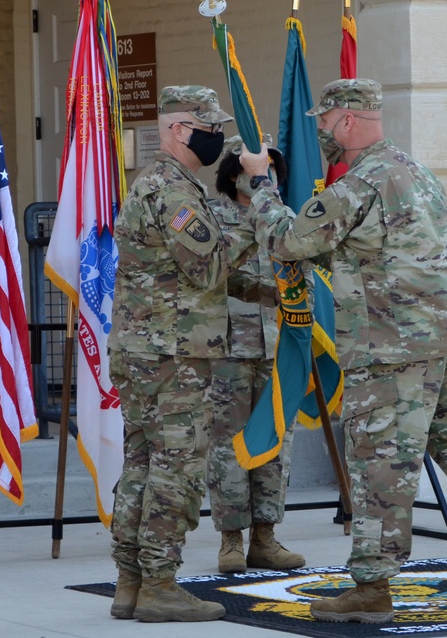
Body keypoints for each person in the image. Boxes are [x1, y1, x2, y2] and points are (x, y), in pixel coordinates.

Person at [237, 78, 447, 623]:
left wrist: (262, 184)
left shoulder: (359, 184)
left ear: (345, 121)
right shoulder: (420, 174)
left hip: (391, 351)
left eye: (323, 121)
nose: (318, 130)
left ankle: (371, 589)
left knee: (381, 469)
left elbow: (286, 241)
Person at [107, 86, 264, 622]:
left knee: (142, 464)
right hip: (172, 355)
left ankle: (130, 582)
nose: (217, 137)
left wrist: (265, 292)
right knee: (177, 468)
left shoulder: (162, 184)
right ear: (178, 129)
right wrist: (260, 206)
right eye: (209, 126)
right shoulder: (172, 192)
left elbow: (188, 275)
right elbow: (209, 268)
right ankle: (159, 585)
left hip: (147, 349)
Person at [206, 137, 305, 574]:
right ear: (233, 173)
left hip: (279, 347)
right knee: (228, 445)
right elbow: (203, 279)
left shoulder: (283, 221)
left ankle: (265, 538)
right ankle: (231, 540)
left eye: (271, 165)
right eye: (256, 165)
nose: (267, 173)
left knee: (276, 441)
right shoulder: (211, 218)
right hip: (227, 348)